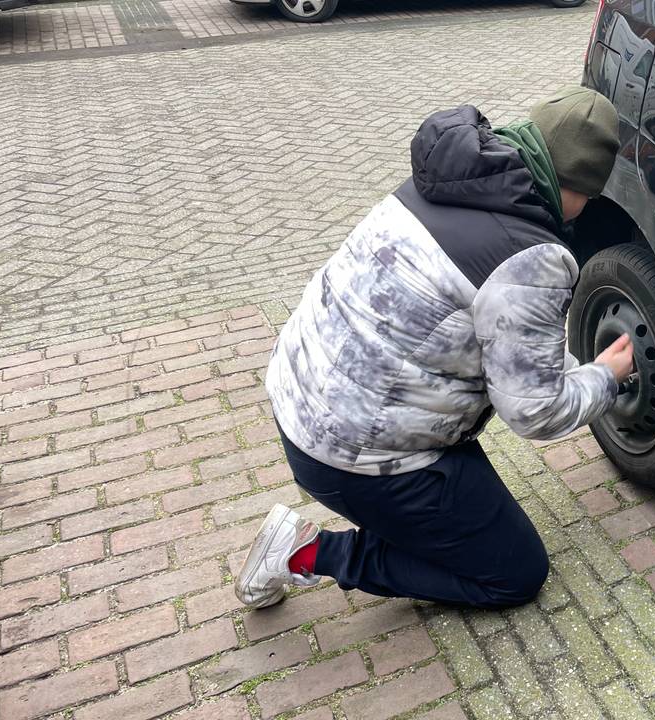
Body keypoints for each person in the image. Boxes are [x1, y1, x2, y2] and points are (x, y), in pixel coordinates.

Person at [233, 88, 632, 610]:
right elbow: (535, 412)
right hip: (354, 454)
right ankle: (305, 553)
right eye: (587, 195)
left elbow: (492, 328)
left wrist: (564, 365)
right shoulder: (531, 256)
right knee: (515, 573)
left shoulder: (453, 180)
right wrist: (604, 375)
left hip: (304, 402)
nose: (585, 209)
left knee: (468, 527)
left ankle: (421, 525)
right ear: (571, 185)